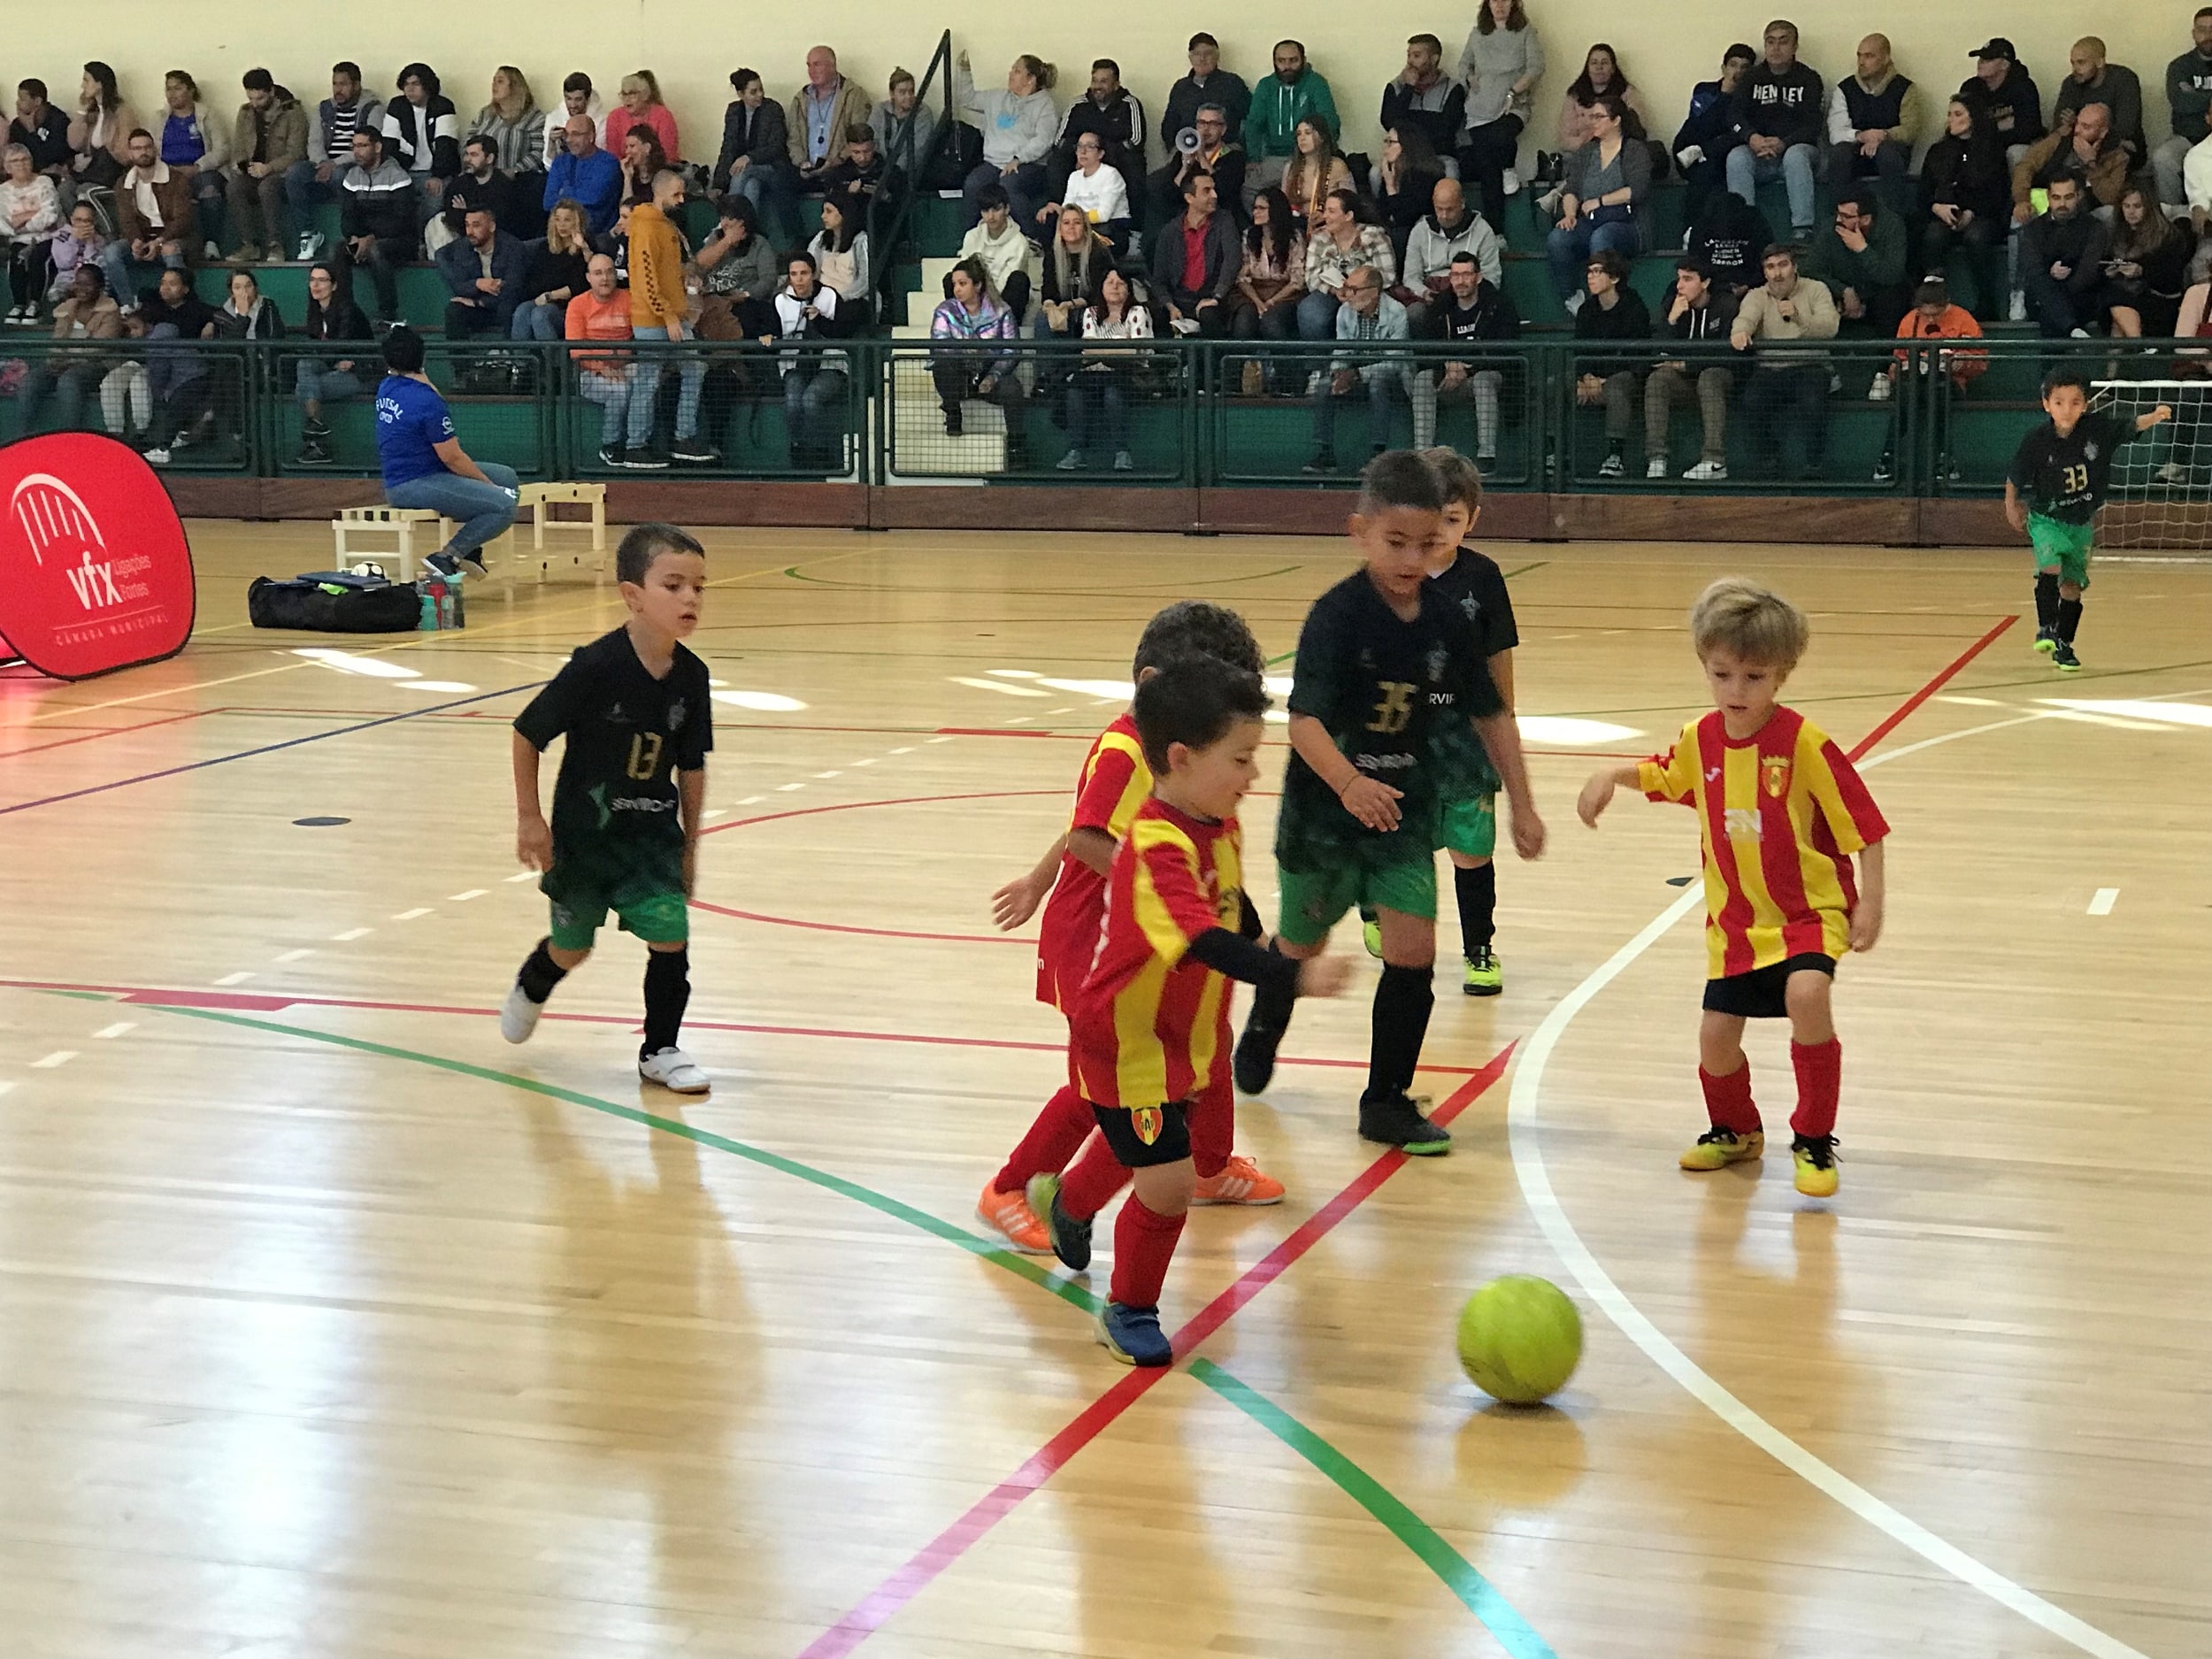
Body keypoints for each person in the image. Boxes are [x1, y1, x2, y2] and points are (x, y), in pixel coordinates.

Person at [1038, 654, 1347, 1367]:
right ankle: (1129, 1309)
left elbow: (1228, 915)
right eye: (1240, 758)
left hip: (1186, 1036)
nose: (1253, 775)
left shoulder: (1218, 824)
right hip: (1129, 1046)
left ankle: (1072, 1204)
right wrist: (1291, 974)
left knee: (1146, 1153)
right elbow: (1202, 936)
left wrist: (1267, 941)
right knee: (1170, 1181)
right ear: (1181, 757)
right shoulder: (1156, 845)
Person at [1233, 449, 1543, 1154]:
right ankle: (1264, 1022)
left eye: (1427, 543)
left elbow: (1492, 713)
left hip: (1403, 813)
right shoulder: (1337, 617)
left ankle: (1386, 1100)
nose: (1412, 558)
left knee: (1414, 955)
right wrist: (1349, 782)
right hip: (1323, 816)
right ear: (1359, 532)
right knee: (1300, 943)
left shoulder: (1446, 619)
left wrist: (1522, 804)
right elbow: (1304, 721)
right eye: (1395, 542)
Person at [979, 603, 1289, 1256]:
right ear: (1155, 684)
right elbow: (1091, 833)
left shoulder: (1180, 758)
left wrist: (1039, 878)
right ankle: (1012, 1186)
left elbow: (1089, 824)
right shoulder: (1126, 747)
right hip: (1097, 946)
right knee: (1105, 1089)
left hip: (1157, 943)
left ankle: (1206, 1166)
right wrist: (1162, 887)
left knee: (1202, 1045)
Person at [1576, 577, 1887, 1199]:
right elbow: (1664, 774)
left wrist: (1871, 902)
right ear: (1705, 666)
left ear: (1782, 675)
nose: (1736, 690)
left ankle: (1814, 1137)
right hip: (1736, 925)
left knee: (1807, 993)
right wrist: (1611, 773)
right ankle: (1736, 1129)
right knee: (1716, 1038)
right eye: (1722, 674)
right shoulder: (1701, 740)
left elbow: (1867, 828)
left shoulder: (1805, 744)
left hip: (1808, 913)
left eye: (1754, 677)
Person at [503, 521, 716, 1097]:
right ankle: (536, 976)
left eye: (698, 587)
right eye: (673, 585)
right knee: (574, 946)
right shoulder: (595, 668)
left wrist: (691, 845)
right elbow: (527, 733)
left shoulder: (693, 677)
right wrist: (530, 818)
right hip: (586, 840)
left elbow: (691, 767)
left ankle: (660, 1049)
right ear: (632, 595)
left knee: (671, 936)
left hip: (651, 840)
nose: (690, 598)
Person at [1388, 449, 1517, 994]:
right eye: (1429, 515)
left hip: (1464, 738)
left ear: (1473, 520)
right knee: (1398, 838)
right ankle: (1382, 916)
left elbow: (1500, 656)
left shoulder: (1483, 579)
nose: (1439, 530)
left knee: (1471, 848)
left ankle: (1479, 947)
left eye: (1453, 519)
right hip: (1403, 738)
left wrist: (1502, 724)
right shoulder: (1392, 574)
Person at [2008, 367, 2172, 672]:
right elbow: (2015, 475)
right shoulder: (2037, 440)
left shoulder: (2097, 430)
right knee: (2050, 564)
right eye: (2059, 402)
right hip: (2046, 518)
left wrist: (2154, 416)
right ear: (2046, 404)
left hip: (2080, 523)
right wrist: (2011, 506)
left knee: (2072, 587)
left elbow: (2130, 426)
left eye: (2074, 402)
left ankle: (2064, 645)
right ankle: (2045, 626)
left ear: (2085, 405)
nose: (2066, 409)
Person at [373, 324, 519, 580]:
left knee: (507, 477)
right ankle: (447, 556)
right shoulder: (428, 401)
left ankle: (471, 550)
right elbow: (452, 458)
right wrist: (490, 488)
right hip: (415, 483)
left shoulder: (387, 386)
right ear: (423, 357)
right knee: (504, 505)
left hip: (417, 473)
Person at [619, 169, 714, 469]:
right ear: (659, 193)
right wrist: (669, 315)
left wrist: (686, 280)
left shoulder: (666, 226)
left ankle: (680, 438)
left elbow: (667, 272)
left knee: (693, 368)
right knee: (649, 380)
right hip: (654, 320)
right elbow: (647, 280)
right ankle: (637, 445)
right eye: (676, 194)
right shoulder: (646, 227)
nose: (681, 199)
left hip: (672, 315)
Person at [1731, 243, 1839, 480]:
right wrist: (1740, 332)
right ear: (1764, 272)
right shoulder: (1756, 295)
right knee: (1751, 401)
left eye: (1783, 265)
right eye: (1770, 267)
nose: (1777, 273)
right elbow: (1745, 318)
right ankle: (1769, 459)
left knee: (1813, 402)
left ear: (1795, 266)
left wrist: (1799, 318)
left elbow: (1830, 327)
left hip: (1810, 366)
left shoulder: (1816, 289)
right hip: (1771, 368)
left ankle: (1814, 464)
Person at [1305, 264, 1420, 472]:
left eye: (1354, 289)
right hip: (1355, 377)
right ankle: (1325, 453)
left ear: (1374, 292)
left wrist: (1356, 374)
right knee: (1323, 386)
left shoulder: (1397, 312)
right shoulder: (1344, 312)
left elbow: (1395, 360)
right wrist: (1338, 372)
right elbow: (1341, 350)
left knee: (1379, 381)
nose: (1347, 294)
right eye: (1347, 287)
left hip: (1393, 379)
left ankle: (1378, 456)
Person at [1874, 277, 1984, 486]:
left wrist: (1963, 364)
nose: (1931, 320)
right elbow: (1898, 358)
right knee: (1908, 393)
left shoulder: (1963, 319)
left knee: (1937, 391)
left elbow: (1980, 361)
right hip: (1913, 382)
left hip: (1949, 382)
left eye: (1936, 314)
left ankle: (1944, 458)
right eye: (1926, 315)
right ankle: (1888, 456)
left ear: (1947, 304)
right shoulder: (1909, 320)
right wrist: (1900, 368)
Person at [1726, 19, 1824, 242]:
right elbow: (1733, 116)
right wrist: (1751, 137)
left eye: (1783, 42)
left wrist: (1784, 143)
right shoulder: (1751, 77)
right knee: (1736, 157)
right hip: (1758, 153)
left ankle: (1802, 230)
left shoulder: (1809, 79)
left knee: (1795, 155)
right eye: (1770, 42)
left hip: (1799, 153)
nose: (1775, 48)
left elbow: (1813, 125)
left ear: (1795, 47)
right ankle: (1744, 231)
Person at [1547, 96, 1648, 307]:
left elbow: (1637, 190)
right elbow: (1571, 189)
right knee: (1558, 238)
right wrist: (1570, 215)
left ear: (1616, 120)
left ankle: (1600, 302)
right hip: (1589, 222)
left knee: (1602, 238)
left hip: (1628, 224)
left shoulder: (1634, 149)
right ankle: (1572, 298)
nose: (1592, 122)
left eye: (1598, 117)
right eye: (1591, 117)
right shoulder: (1586, 152)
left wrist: (1601, 201)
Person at [1455, 0, 1546, 232]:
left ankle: (1509, 168)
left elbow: (1536, 67)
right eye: (1494, 0)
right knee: (1487, 171)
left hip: (1513, 102)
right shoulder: (1477, 34)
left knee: (1502, 134)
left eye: (1505, 0)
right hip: (1480, 106)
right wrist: (1470, 79)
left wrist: (1514, 91)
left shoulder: (1525, 32)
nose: (1500, 5)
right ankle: (1496, 232)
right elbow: (1464, 64)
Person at [1646, 256, 1738, 481]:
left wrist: (1686, 364)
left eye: (1687, 279)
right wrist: (1672, 321)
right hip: (1686, 381)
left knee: (1709, 377)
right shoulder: (1672, 304)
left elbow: (1731, 354)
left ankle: (1715, 461)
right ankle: (1657, 459)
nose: (1679, 286)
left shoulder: (1726, 305)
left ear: (1705, 283)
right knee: (1659, 379)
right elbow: (1655, 353)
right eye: (1679, 279)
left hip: (1723, 378)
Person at [954, 51, 1059, 234]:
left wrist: (1018, 159)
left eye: (1017, 71)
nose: (1010, 74)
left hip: (1030, 165)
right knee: (973, 184)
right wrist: (964, 71)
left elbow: (1044, 140)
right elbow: (967, 99)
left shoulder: (1045, 105)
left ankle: (1030, 237)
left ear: (1030, 79)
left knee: (1009, 184)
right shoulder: (996, 97)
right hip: (994, 163)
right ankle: (970, 239)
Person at [764, 250, 850, 472]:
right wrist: (767, 336)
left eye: (804, 273)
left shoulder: (830, 296)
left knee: (811, 399)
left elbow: (842, 333)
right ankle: (799, 451)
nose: (799, 279)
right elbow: (772, 332)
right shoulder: (779, 300)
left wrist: (818, 320)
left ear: (813, 274)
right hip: (794, 363)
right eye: (794, 274)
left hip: (830, 363)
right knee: (793, 401)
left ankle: (821, 453)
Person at [1430, 251, 1518, 464]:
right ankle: (1425, 457)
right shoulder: (1440, 306)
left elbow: (1505, 351)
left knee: (1482, 380)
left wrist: (1468, 369)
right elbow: (1428, 349)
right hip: (1450, 380)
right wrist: (1446, 367)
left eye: (1467, 274)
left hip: (1488, 375)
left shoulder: (1498, 304)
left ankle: (1486, 455)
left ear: (1478, 277)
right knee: (1423, 379)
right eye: (1455, 275)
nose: (1460, 281)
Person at [929, 256, 1024, 453]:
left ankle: (1017, 446)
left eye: (962, 284)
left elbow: (1011, 349)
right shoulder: (945, 311)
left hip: (989, 372)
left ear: (978, 285)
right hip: (959, 372)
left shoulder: (1002, 311)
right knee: (942, 364)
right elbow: (939, 346)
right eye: (954, 284)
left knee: (1012, 388)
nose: (957, 289)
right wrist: (966, 355)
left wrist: (993, 376)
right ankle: (953, 413)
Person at [1062, 267, 1151, 472]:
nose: (1115, 287)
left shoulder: (1137, 312)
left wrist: (1103, 349)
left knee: (1113, 394)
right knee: (1074, 391)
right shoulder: (1090, 313)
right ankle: (1076, 451)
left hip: (1129, 374)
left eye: (1120, 283)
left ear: (1129, 290)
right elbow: (1088, 351)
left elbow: (1135, 352)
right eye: (1110, 282)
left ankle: (1121, 452)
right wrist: (1119, 346)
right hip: (1094, 373)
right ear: (1101, 288)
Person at [1573, 248, 1653, 478]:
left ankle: (1615, 456)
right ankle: (1553, 454)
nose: (1591, 277)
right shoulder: (1586, 310)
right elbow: (1579, 349)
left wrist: (1603, 379)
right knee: (1553, 385)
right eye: (1589, 272)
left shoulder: (1634, 308)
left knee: (1618, 387)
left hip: (1623, 377)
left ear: (1615, 277)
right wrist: (1586, 377)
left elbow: (1637, 356)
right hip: (1590, 380)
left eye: (1598, 271)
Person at [1919, 96, 2009, 296]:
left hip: (1983, 217)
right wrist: (1937, 208)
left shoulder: (1992, 151)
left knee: (1976, 237)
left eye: (1958, 114)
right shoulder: (1938, 151)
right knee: (1933, 235)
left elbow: (1998, 194)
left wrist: (1971, 213)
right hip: (1943, 215)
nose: (1951, 119)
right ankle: (1933, 298)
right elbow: (1923, 192)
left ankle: (1986, 300)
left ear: (1974, 118)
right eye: (1949, 114)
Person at [129, 265, 219, 464]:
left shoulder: (198, 309)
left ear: (186, 289)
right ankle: (141, 436)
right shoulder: (153, 310)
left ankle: (168, 442)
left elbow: (220, 315)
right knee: (139, 382)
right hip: (156, 368)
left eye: (173, 284)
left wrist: (212, 323)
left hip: (187, 370)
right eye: (163, 283)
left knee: (187, 390)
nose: (166, 288)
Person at [15, 264, 120, 432]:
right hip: (62, 364)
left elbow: (99, 349)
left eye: (88, 284)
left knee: (68, 381)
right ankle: (24, 436)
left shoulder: (111, 310)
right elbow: (57, 340)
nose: (81, 289)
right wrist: (56, 360)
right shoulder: (68, 307)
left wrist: (68, 361)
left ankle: (71, 436)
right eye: (78, 283)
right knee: (30, 381)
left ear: (100, 287)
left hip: (97, 366)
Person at [292, 64, 380, 262]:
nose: (338, 89)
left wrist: (335, 164)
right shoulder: (324, 108)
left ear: (356, 85)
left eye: (344, 84)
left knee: (342, 176)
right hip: (323, 163)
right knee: (295, 173)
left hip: (354, 164)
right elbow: (313, 142)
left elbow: (366, 147)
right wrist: (323, 162)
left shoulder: (373, 108)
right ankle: (308, 233)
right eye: (334, 84)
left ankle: (349, 235)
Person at [1826, 35, 1917, 216]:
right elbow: (1835, 133)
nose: (1861, 62)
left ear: (1886, 58)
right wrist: (1862, 136)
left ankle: (1895, 221)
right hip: (1856, 152)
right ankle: (1840, 219)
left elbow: (1909, 130)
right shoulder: (1845, 88)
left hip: (1891, 154)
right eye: (1859, 56)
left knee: (1887, 153)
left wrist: (1882, 135)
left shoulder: (1905, 88)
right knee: (1839, 153)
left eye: (1869, 56)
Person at [1803, 188, 1910, 342]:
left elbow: (1892, 275)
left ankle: (1888, 361)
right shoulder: (1830, 229)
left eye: (1846, 216)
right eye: (1838, 213)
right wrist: (1843, 290)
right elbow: (1810, 271)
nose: (1839, 220)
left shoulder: (1892, 226)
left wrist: (1862, 249)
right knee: (1811, 292)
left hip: (1878, 292)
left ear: (1865, 219)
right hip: (1842, 291)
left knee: (1893, 296)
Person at [1225, 185, 1303, 388]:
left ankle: (1287, 384)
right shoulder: (1249, 236)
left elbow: (1297, 279)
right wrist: (1259, 302)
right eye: (1255, 208)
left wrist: (1272, 301)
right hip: (1253, 293)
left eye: (1261, 208)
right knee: (1243, 323)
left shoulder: (1294, 238)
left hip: (1285, 294)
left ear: (1275, 210)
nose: (1255, 212)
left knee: (1272, 323)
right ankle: (1233, 386)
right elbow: (1242, 277)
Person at [294, 261, 371, 465]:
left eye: (322, 280)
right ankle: (315, 425)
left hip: (360, 372)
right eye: (312, 280)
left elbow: (341, 345)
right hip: (331, 367)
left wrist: (340, 359)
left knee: (303, 389)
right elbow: (317, 348)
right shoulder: (315, 310)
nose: (315, 285)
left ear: (334, 285)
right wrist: (334, 360)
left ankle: (317, 446)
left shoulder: (347, 308)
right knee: (304, 365)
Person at [225, 70, 306, 264]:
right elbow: (238, 147)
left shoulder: (293, 112)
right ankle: (249, 245)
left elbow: (297, 153)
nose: (255, 103)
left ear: (271, 90)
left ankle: (275, 245)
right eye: (251, 98)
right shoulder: (245, 112)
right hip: (254, 171)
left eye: (260, 98)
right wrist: (244, 166)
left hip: (281, 172)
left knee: (267, 188)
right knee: (234, 187)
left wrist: (269, 168)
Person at [336, 129, 417, 324]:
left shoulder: (398, 176)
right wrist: (354, 237)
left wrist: (371, 238)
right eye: (354, 146)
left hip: (401, 242)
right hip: (365, 239)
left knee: (376, 250)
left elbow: (402, 221)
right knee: (336, 250)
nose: (357, 152)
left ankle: (388, 313)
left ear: (378, 147)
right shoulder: (351, 177)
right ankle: (342, 308)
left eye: (362, 146)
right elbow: (347, 216)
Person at [1244, 41, 1339, 205]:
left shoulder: (1316, 83)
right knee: (1248, 190)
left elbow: (1329, 121)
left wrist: (1322, 153)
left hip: (1308, 157)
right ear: (1274, 62)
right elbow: (1253, 124)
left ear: (1303, 59)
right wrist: (1254, 158)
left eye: (1293, 60)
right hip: (1274, 157)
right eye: (1281, 61)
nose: (1287, 66)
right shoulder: (1266, 85)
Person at [1400, 179, 1502, 328]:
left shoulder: (1483, 230)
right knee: (1414, 313)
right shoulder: (1420, 231)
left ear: (1462, 203)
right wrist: (1424, 293)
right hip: (1430, 296)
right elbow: (1410, 277)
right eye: (1439, 209)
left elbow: (1492, 277)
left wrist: (1464, 293)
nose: (1444, 215)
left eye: (1450, 209)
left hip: (1468, 294)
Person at [2017, 175, 2108, 339]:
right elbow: (2035, 273)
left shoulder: (2094, 227)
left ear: (2079, 196)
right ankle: (2073, 331)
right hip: (2043, 294)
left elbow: (2088, 272)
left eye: (2068, 197)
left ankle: (2053, 363)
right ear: (2048, 197)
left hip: (2081, 296)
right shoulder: (2032, 230)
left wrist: (2058, 295)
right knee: (2044, 296)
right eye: (2056, 197)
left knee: (2049, 314)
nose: (2062, 204)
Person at [1298, 188, 1396, 340]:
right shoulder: (1319, 239)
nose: (1325, 216)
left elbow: (1388, 276)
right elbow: (1311, 278)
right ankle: (1318, 361)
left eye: (1332, 211)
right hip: (1331, 294)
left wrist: (1356, 289)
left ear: (1349, 216)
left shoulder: (1374, 236)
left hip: (1366, 292)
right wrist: (1334, 290)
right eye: (1325, 211)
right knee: (1310, 312)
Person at [1673, 44, 1755, 226]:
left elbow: (1739, 129)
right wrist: (1725, 95)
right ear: (1724, 68)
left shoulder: (1751, 97)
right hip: (1688, 150)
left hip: (1716, 155)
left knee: (1733, 140)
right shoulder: (1704, 90)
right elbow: (1699, 128)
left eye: (1744, 67)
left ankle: (1692, 230)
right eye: (1733, 65)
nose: (1738, 71)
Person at [1150, 172, 1239, 336]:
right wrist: (1170, 305)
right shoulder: (1170, 231)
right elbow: (1159, 279)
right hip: (1179, 299)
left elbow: (1232, 261)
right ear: (1189, 198)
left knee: (1209, 314)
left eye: (1214, 189)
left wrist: (1216, 297)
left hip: (1213, 297)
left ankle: (1212, 362)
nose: (1214, 195)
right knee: (1153, 314)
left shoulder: (1225, 221)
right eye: (1207, 191)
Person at [566, 252, 634, 466]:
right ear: (588, 278)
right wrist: (604, 369)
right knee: (620, 390)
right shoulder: (578, 304)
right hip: (588, 373)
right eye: (598, 273)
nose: (604, 278)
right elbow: (576, 352)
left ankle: (640, 446)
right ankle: (610, 445)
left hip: (626, 365)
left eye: (609, 272)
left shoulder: (629, 298)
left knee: (649, 379)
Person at [714, 70, 797, 245]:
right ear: (740, 94)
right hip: (750, 173)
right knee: (751, 185)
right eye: (753, 92)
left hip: (772, 168)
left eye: (761, 89)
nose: (759, 94)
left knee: (742, 172)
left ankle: (726, 226)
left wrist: (749, 157)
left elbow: (777, 146)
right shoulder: (733, 111)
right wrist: (718, 183)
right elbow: (728, 147)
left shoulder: (773, 109)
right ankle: (747, 235)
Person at [2096, 185, 2188, 340]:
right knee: (2115, 305)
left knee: (2115, 300)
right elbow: (2102, 267)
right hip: (2128, 297)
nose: (2131, 212)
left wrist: (2142, 271)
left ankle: (2136, 346)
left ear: (2149, 208)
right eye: (2126, 206)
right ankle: (2135, 349)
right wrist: (2109, 272)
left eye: (2137, 206)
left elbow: (2172, 280)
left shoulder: (2169, 237)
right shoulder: (2116, 234)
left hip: (2159, 300)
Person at [2013, 103, 2130, 223]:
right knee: (2021, 212)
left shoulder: (2117, 156)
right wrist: (2022, 200)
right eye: (2078, 123)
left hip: (2085, 212)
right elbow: (2026, 165)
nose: (2077, 130)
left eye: (2086, 127)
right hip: (2050, 198)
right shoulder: (2063, 136)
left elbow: (2110, 197)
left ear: (2102, 132)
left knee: (2109, 212)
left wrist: (2092, 165)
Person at [1054, 59, 1144, 207]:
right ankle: (1059, 212)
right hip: (1080, 157)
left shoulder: (1129, 104)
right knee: (1057, 162)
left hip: (1115, 158)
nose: (1097, 87)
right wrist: (1082, 153)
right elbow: (1060, 141)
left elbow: (1136, 141)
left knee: (1133, 162)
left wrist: (1099, 155)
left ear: (1116, 84)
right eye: (1094, 81)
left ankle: (1134, 227)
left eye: (1104, 82)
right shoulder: (1078, 104)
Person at [1552, 44, 1654, 175]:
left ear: (1613, 68)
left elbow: (1639, 129)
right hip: (1583, 154)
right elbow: (1564, 138)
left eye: (1604, 63)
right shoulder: (1574, 95)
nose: (1599, 67)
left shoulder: (1627, 93)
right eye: (1594, 63)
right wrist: (1587, 142)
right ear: (1587, 68)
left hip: (1620, 154)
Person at [157, 71, 228, 255]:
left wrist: (197, 167)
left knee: (209, 186)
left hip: (201, 171)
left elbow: (223, 150)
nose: (172, 94)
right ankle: (164, 242)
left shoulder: (208, 114)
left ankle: (211, 243)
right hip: (167, 172)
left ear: (191, 90)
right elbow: (151, 148)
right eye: (168, 89)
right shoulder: (159, 118)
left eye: (178, 88)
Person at [381, 64, 462, 227]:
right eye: (406, 84)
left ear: (428, 86)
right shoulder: (397, 106)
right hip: (404, 171)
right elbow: (389, 144)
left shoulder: (443, 106)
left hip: (435, 172)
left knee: (434, 201)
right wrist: (395, 174)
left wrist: (438, 175)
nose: (410, 89)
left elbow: (446, 145)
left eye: (416, 84)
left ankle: (423, 242)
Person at [693, 195, 778, 341]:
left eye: (730, 218)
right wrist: (726, 242)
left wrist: (746, 295)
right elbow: (700, 264)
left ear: (743, 221)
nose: (724, 223)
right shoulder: (716, 239)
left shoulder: (759, 243)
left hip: (745, 302)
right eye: (722, 217)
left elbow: (768, 280)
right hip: (714, 300)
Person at [32, 202, 133, 325]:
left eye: (87, 221)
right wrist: (74, 239)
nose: (83, 224)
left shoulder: (98, 239)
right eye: (79, 220)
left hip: (90, 282)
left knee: (99, 268)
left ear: (93, 222)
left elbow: (94, 267)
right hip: (68, 277)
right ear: (72, 220)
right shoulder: (61, 235)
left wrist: (89, 242)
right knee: (59, 293)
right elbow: (64, 263)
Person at [436, 204, 526, 340]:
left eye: (476, 225)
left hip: (503, 305)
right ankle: (460, 360)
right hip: (478, 307)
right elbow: (459, 286)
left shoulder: (512, 247)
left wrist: (480, 303)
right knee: (454, 310)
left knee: (508, 307)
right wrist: (477, 284)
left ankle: (510, 357)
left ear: (491, 227)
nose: (470, 232)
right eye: (467, 225)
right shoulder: (463, 248)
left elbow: (514, 288)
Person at [1146, 101, 1243, 226]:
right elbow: (1170, 195)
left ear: (1223, 129)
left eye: (1212, 124)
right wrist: (1185, 168)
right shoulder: (1183, 154)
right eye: (1201, 123)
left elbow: (1223, 192)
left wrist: (1202, 157)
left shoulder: (1234, 157)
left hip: (1217, 218)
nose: (1206, 129)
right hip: (1184, 216)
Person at [789, 47, 872, 191]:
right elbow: (793, 139)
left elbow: (858, 137)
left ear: (832, 65)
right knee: (781, 181)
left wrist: (836, 161)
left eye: (817, 64)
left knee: (836, 181)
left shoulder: (854, 95)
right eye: (809, 65)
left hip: (840, 167)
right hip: (806, 169)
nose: (811, 70)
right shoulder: (801, 98)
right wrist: (801, 162)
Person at [2053, 38, 2146, 165]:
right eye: (2073, 63)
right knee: (2053, 156)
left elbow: (2126, 128)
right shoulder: (2071, 83)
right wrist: (2069, 124)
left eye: (2081, 62)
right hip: (2077, 144)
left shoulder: (2124, 80)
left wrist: (2087, 136)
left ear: (2100, 62)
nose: (2075, 68)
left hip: (2119, 146)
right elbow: (2058, 124)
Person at [956, 183, 1039, 322]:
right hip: (975, 299)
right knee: (951, 279)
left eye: (996, 209)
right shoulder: (972, 236)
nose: (991, 216)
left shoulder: (1019, 242)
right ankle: (962, 324)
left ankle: (1004, 327)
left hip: (1004, 303)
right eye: (986, 211)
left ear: (1007, 209)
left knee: (1019, 280)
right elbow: (964, 276)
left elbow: (1005, 285)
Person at [116, 128, 195, 273]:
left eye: (147, 147)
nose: (143, 152)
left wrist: (159, 241)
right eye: (137, 148)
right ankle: (125, 296)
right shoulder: (123, 183)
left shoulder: (176, 179)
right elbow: (126, 220)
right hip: (143, 236)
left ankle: (181, 291)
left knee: (169, 250)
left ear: (155, 149)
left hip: (173, 237)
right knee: (111, 253)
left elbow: (182, 220)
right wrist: (136, 241)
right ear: (130, 153)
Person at [2155, 12, 2212, 211]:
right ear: (2194, 33)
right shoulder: (2179, 66)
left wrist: (2195, 94)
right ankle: (2174, 220)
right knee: (2163, 158)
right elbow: (2180, 103)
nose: (2208, 35)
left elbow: (2189, 101)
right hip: (2186, 137)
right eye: (2202, 30)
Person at [1381, 34, 1466, 166]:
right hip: (1402, 154)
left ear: (1434, 59)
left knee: (1450, 171)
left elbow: (1446, 130)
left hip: (1439, 155)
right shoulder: (1396, 86)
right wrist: (1408, 88)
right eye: (1408, 55)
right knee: (1375, 174)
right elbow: (1389, 122)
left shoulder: (1453, 89)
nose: (1410, 61)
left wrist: (1408, 126)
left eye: (1417, 56)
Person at [1960, 38, 2047, 167]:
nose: (1981, 62)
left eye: (1989, 59)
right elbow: (1962, 126)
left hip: (2012, 146)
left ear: (2005, 65)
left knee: (2016, 153)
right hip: (1981, 145)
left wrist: (1986, 132)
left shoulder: (2023, 87)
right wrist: (1998, 128)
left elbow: (2029, 131)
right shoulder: (1970, 88)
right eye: (1980, 58)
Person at [513, 199, 592, 341]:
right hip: (542, 299)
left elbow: (579, 286)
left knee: (540, 315)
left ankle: (553, 362)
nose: (562, 225)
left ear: (577, 222)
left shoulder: (586, 247)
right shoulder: (544, 247)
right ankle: (520, 360)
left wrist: (550, 295)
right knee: (522, 311)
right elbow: (533, 280)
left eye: (567, 220)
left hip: (568, 307)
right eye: (558, 220)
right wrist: (541, 296)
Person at [1160, 35, 1250, 156]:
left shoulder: (1232, 83)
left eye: (1208, 53)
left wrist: (1239, 146)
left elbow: (1251, 119)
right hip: (1187, 152)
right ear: (1190, 58)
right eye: (1197, 54)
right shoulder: (1181, 87)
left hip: (1225, 154)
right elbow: (1169, 124)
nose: (1202, 59)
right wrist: (1174, 149)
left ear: (1217, 57)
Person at [1042, 131, 1132, 252]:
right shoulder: (1074, 177)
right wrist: (1057, 208)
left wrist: (1074, 219)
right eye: (1079, 146)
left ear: (1100, 153)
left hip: (1110, 228)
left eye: (1090, 147)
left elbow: (1103, 215)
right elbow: (1067, 208)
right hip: (1081, 228)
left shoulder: (1110, 175)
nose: (1083, 151)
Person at [0, 144, 61, 323]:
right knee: (16, 258)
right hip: (17, 239)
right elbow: (2, 223)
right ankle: (18, 305)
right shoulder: (2, 191)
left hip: (47, 237)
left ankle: (35, 305)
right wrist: (32, 215)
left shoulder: (44, 182)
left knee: (37, 258)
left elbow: (50, 215)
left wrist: (21, 222)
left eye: (24, 159)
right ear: (7, 167)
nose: (21, 164)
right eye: (15, 161)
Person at [1035, 205, 1113, 341]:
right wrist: (1049, 304)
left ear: (1085, 228)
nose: (1071, 227)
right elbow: (1048, 288)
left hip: (1093, 307)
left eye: (1077, 222)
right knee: (1043, 317)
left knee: (1083, 316)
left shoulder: (1099, 253)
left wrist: (1072, 304)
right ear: (1060, 228)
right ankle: (1047, 361)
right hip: (1065, 307)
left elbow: (1098, 293)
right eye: (1066, 223)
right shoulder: (1052, 255)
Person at [1686, 183, 1775, 296]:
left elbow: (1768, 261)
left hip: (1753, 288)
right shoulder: (1702, 226)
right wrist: (1715, 287)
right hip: (1710, 290)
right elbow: (1694, 265)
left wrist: (1748, 285)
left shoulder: (1755, 222)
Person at [1371, 127, 1444, 262]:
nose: (1385, 147)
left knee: (1399, 236)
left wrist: (1390, 187)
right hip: (1397, 230)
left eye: (1390, 142)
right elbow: (1382, 212)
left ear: (1407, 145)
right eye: (1385, 141)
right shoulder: (1391, 172)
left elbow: (1405, 218)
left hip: (1423, 232)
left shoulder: (1424, 176)